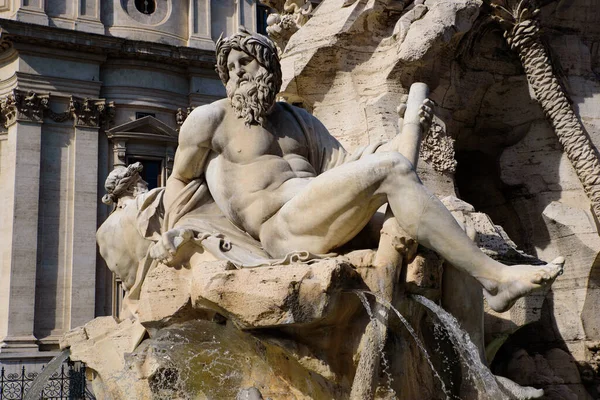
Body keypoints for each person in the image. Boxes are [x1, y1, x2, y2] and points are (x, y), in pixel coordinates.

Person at [149, 28, 563, 313]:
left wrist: (411, 127)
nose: (237, 72)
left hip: (321, 212)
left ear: (269, 68)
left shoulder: (300, 121)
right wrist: (178, 235)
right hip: (279, 228)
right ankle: (496, 278)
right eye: (230, 66)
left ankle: (479, 349)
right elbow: (182, 182)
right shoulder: (210, 119)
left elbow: (365, 171)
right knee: (387, 167)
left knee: (437, 234)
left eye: (246, 62)